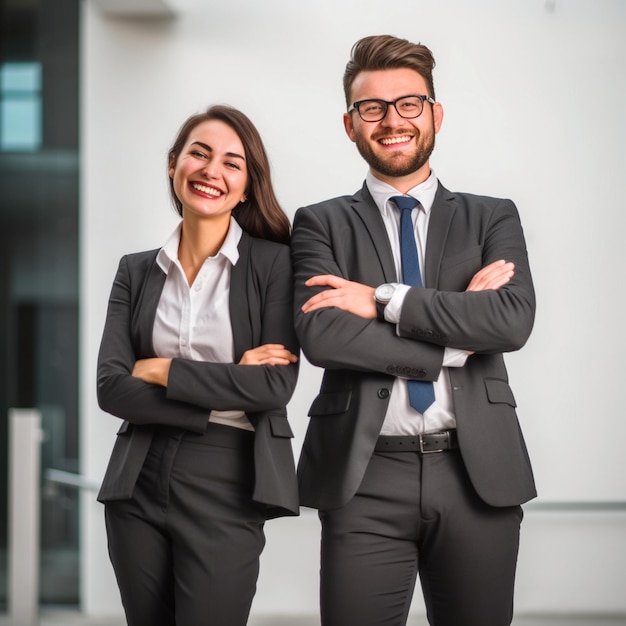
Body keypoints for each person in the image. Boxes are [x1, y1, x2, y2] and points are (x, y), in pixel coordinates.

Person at [291, 35, 536, 626]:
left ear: (435, 114)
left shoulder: (491, 215)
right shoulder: (320, 224)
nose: (391, 121)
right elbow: (323, 338)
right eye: (371, 108)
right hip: (364, 474)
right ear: (350, 125)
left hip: (476, 472)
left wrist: (382, 301)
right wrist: (455, 339)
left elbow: (509, 320)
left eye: (408, 103)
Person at [96, 104, 300, 626]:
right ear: (173, 165)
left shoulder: (274, 264)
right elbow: (110, 388)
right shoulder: (136, 271)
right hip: (137, 475)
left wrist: (161, 370)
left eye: (232, 163)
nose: (212, 171)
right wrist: (232, 375)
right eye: (199, 154)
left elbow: (274, 385)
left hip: (228, 475)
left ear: (247, 187)